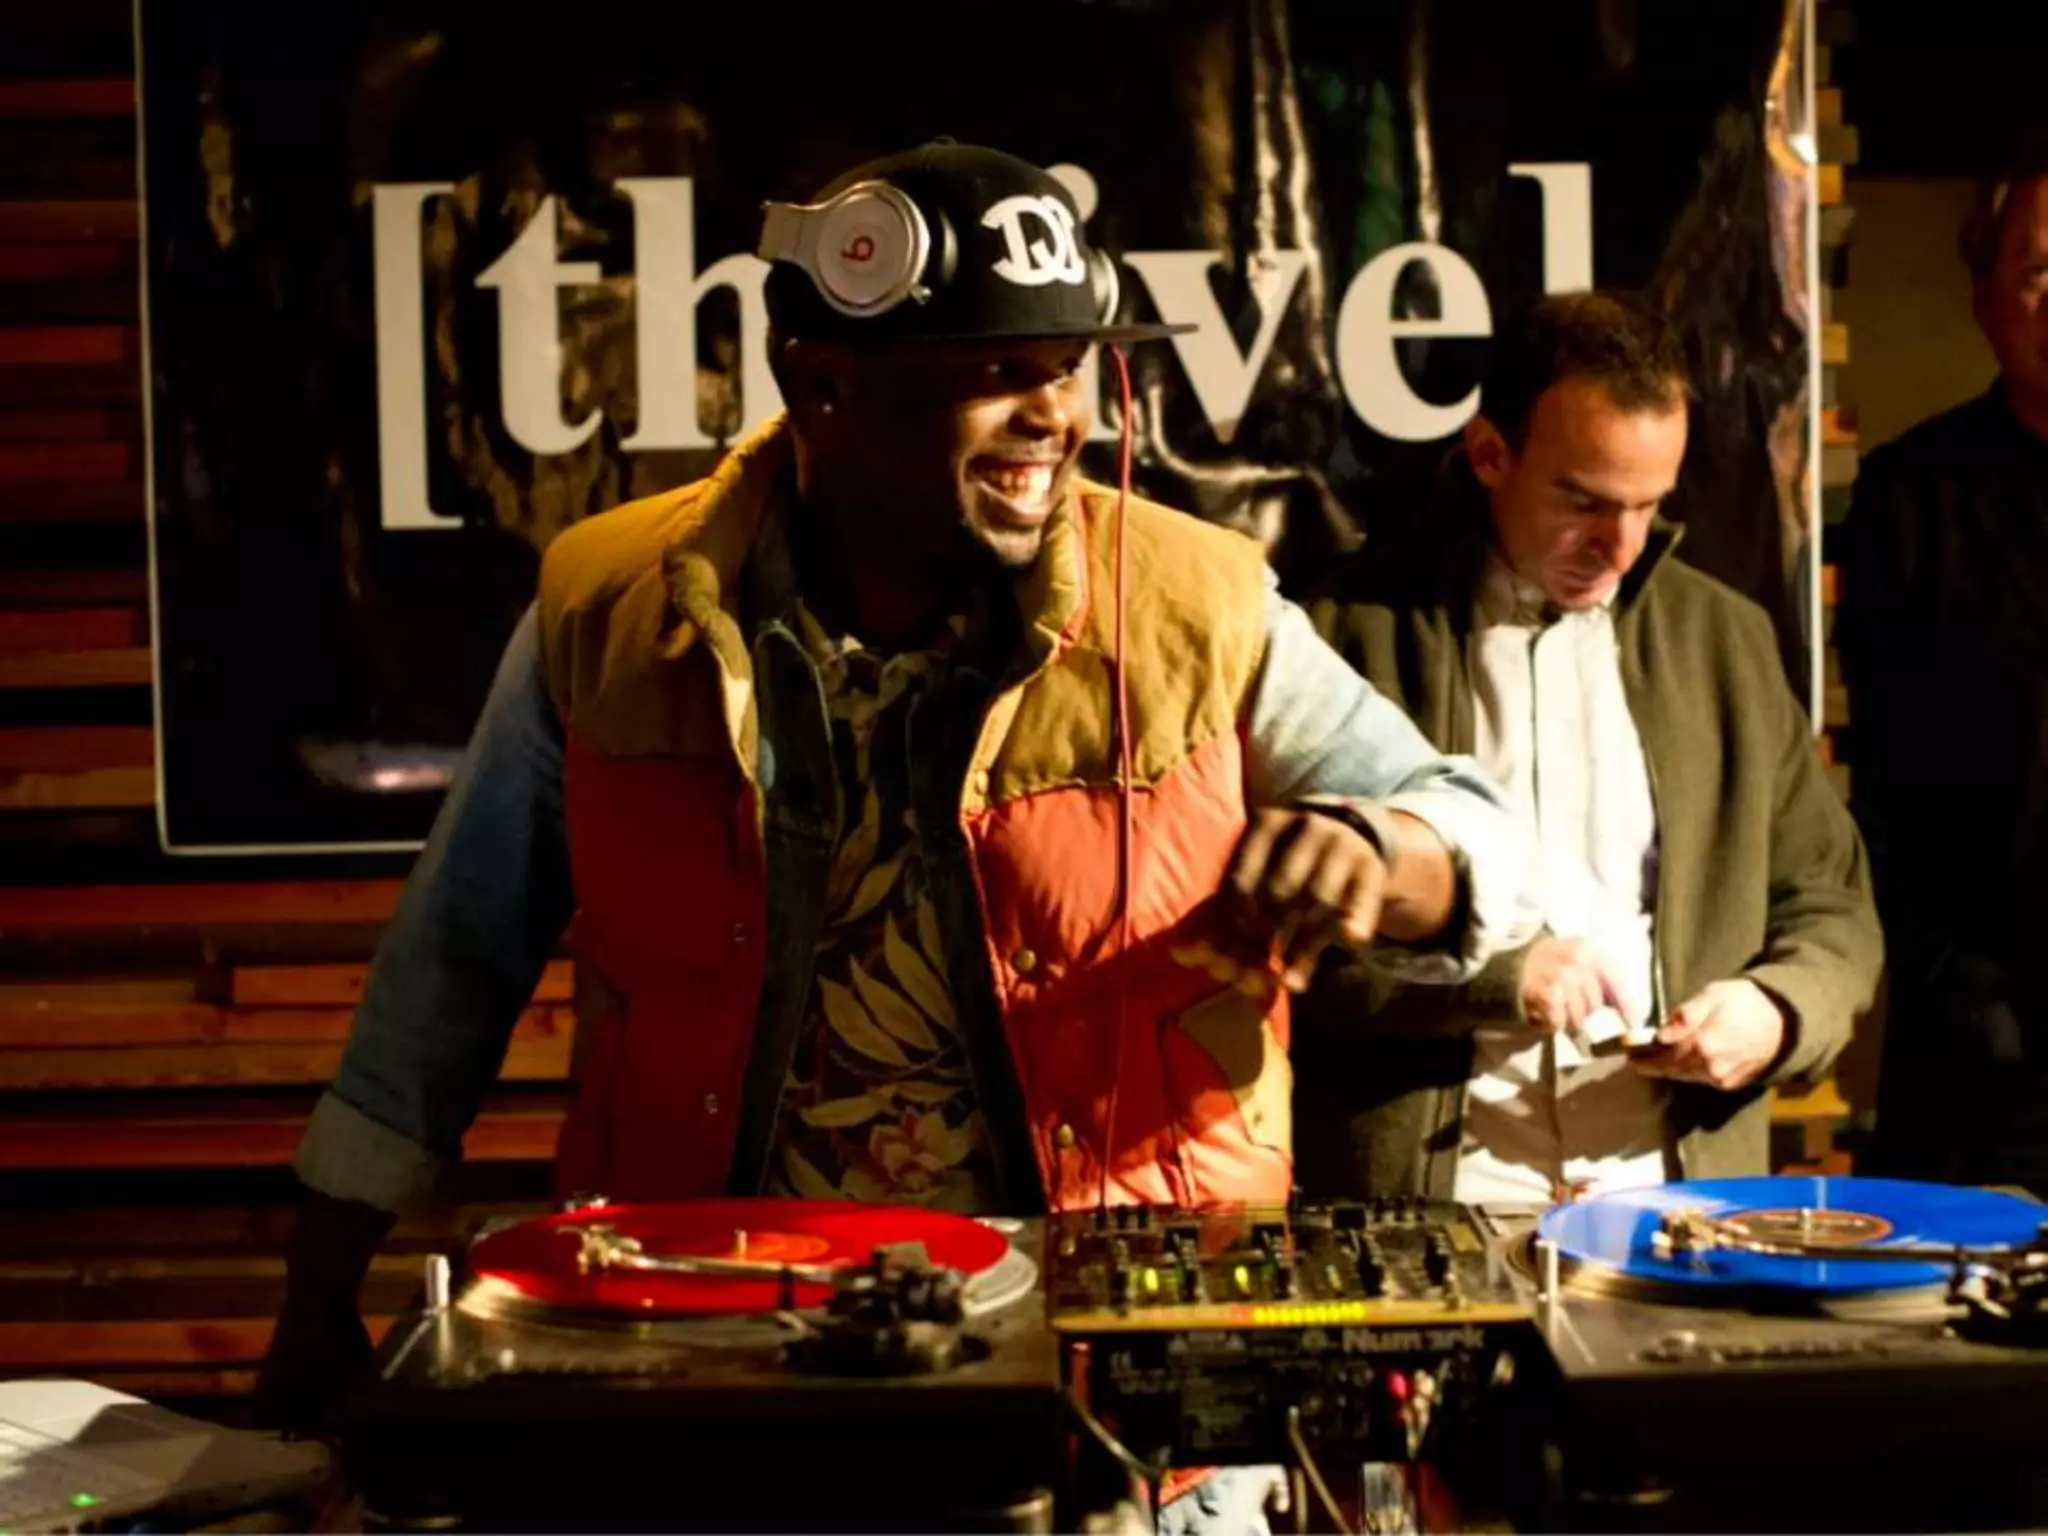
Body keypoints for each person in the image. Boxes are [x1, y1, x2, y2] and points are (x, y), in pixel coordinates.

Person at [254, 142, 1535, 1523]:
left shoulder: (1193, 603)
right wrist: (318, 1299)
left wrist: (1384, 851)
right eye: (992, 373)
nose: (1050, 414)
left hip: (1104, 1413)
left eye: (1066, 368)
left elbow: (1497, 845)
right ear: (820, 382)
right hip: (711, 1376)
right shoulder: (604, 613)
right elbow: (446, 975)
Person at [1294, 289, 1881, 1204]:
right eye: (1584, 501)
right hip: (1432, 1197)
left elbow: (1833, 907)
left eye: (1649, 505)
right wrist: (1492, 979)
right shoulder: (1344, 637)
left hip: (1674, 1198)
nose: (1620, 545)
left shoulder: (1724, 639)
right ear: (1490, 455)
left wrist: (1774, 1010)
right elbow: (1277, 944)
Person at [1840, 133, 2048, 1191]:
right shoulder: (1906, 498)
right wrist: (1953, 987)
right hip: (1978, 1055)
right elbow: (1864, 779)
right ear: (1982, 296)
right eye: (2036, 270)